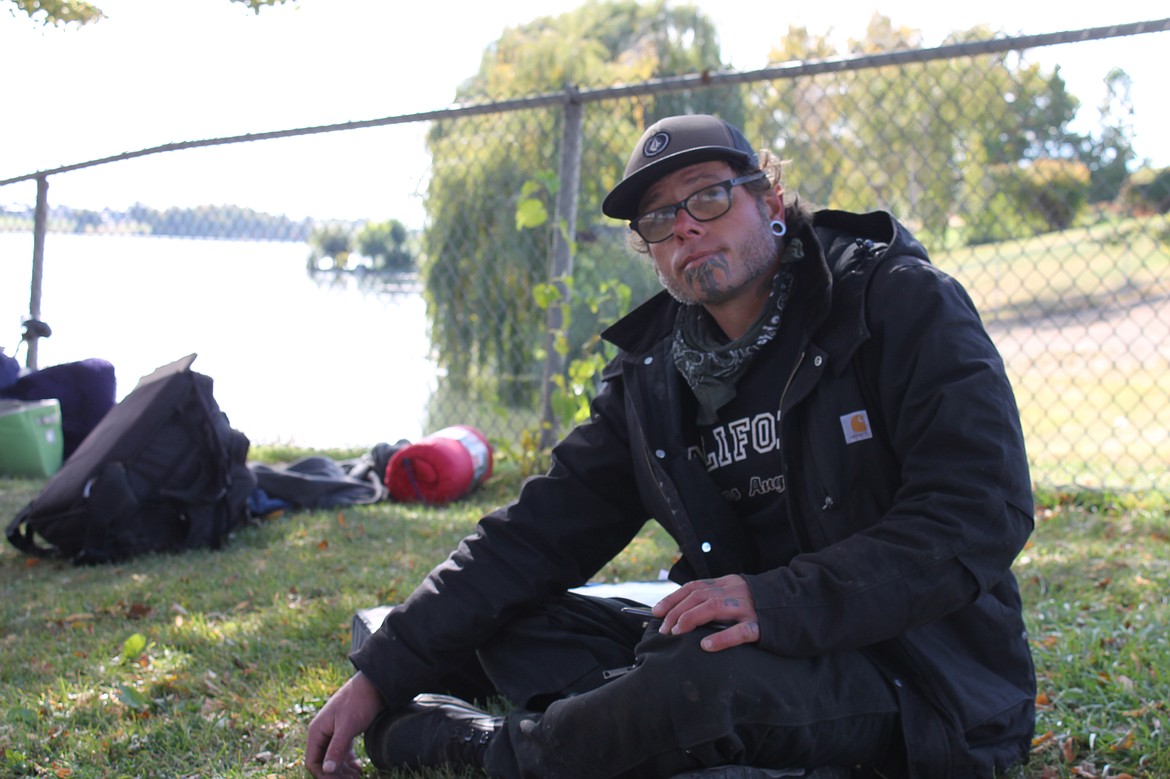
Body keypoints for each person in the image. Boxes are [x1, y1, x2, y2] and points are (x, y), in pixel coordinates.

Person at [304, 113, 1036, 779]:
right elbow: (533, 535)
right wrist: (381, 671)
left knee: (695, 674)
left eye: (707, 197)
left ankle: (496, 752)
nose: (684, 226)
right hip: (749, 643)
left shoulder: (896, 302)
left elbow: (978, 513)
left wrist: (773, 599)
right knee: (528, 622)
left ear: (770, 201)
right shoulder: (653, 377)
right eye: (658, 218)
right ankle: (638, 730)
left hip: (913, 673)